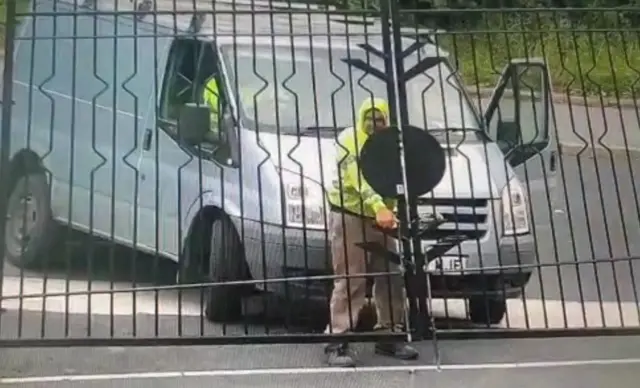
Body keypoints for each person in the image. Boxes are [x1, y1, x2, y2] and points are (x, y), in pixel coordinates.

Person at [324, 97, 419, 367]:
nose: (373, 125)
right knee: (351, 278)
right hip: (352, 214)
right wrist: (379, 207)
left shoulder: (390, 143)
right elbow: (360, 179)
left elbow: (400, 176)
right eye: (369, 119)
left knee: (391, 276)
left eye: (380, 120)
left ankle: (389, 334)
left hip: (383, 218)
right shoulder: (349, 140)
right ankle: (337, 339)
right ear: (360, 118)